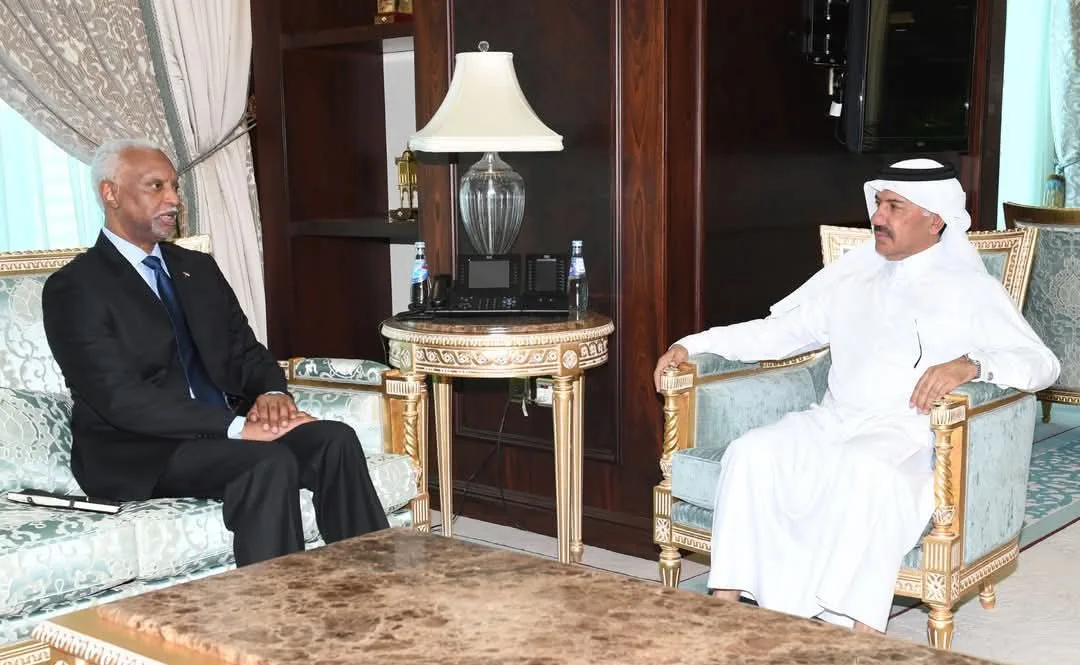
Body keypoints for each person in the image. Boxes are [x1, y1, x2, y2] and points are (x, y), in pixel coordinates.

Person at [652, 158, 1060, 634]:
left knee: (863, 470)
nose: (878, 217)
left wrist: (971, 364)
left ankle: (860, 636)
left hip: (906, 433)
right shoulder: (854, 278)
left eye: (894, 207)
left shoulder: (972, 290)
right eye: (878, 204)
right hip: (833, 420)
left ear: (934, 220)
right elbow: (777, 334)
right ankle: (726, 609)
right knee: (752, 453)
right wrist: (692, 345)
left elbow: (1042, 364)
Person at [42, 138, 389, 567]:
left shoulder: (197, 268)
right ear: (109, 193)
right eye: (156, 186)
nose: (173, 199)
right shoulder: (75, 287)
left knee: (335, 440)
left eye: (174, 186)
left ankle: (371, 581)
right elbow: (120, 399)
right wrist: (237, 427)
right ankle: (275, 604)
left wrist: (272, 394)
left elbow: (246, 350)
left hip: (219, 432)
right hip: (142, 450)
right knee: (267, 461)